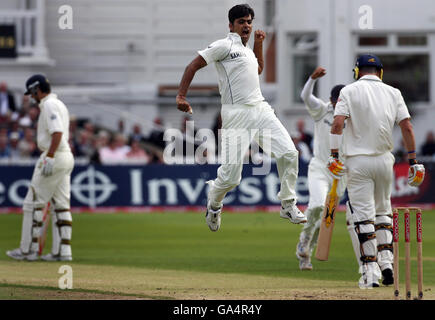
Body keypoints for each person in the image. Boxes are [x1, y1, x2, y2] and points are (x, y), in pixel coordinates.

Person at [176, 4, 306, 231]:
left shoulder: (247, 50)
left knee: (289, 152)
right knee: (231, 178)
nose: (246, 26)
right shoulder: (223, 46)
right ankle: (214, 204)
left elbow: (259, 70)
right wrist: (181, 95)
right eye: (241, 22)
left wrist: (258, 44)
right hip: (235, 113)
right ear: (231, 25)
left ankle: (288, 203)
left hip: (261, 108)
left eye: (249, 22)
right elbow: (193, 65)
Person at [328, 54, 425, 288]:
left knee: (363, 217)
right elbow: (407, 126)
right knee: (383, 212)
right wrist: (413, 161)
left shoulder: (348, 92)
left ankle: (370, 274)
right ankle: (387, 263)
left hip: (358, 161)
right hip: (384, 161)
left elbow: (338, 123)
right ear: (380, 72)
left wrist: (333, 156)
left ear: (357, 71)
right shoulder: (394, 93)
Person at [6, 74, 75, 261]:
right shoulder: (59, 104)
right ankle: (62, 252)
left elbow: (57, 132)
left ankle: (27, 250)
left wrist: (50, 156)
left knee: (32, 203)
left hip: (55, 155)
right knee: (61, 205)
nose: (31, 97)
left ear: (37, 89)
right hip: (66, 155)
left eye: (32, 93)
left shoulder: (50, 105)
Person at [295, 67, 346, 270]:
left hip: (341, 174)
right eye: (339, 102)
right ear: (333, 101)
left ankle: (306, 252)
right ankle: (304, 239)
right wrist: (311, 79)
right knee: (317, 206)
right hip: (320, 168)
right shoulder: (322, 110)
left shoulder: (354, 116)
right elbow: (305, 96)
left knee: (326, 217)